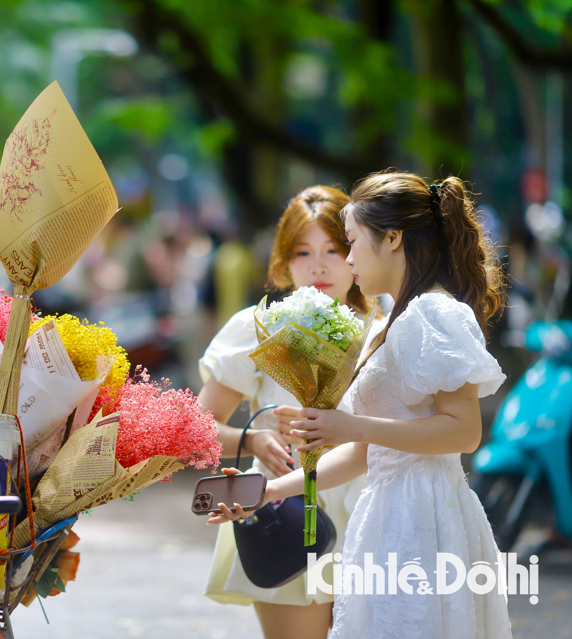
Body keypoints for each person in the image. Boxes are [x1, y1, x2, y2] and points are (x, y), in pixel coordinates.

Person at [210, 172, 512, 638]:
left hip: (423, 519)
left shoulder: (433, 313)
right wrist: (266, 492)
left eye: (347, 243)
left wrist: (351, 426)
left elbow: (464, 431)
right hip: (387, 515)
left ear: (392, 238)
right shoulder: (399, 319)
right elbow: (364, 452)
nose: (345, 260)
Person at [197, 185, 384, 639]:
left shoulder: (381, 331)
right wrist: (252, 438)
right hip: (285, 510)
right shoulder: (257, 327)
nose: (318, 265)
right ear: (282, 261)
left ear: (358, 253)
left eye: (334, 249)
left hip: (371, 511)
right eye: (302, 251)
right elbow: (196, 425)